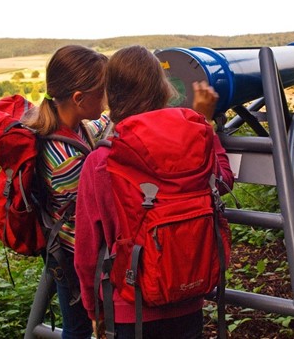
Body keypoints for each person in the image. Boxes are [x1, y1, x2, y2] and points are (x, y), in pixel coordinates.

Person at [74, 45, 234, 339]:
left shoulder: (100, 162)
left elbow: (86, 253)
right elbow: (223, 181)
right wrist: (206, 127)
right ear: (162, 90)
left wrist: (93, 310)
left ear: (111, 95)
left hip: (128, 307)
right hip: (188, 293)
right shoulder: (192, 145)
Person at [21, 45, 108, 339]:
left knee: (77, 326)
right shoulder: (64, 160)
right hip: (74, 255)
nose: (108, 100)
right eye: (103, 92)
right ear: (79, 99)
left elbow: (100, 125)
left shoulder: (72, 126)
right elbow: (96, 207)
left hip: (65, 245)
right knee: (79, 329)